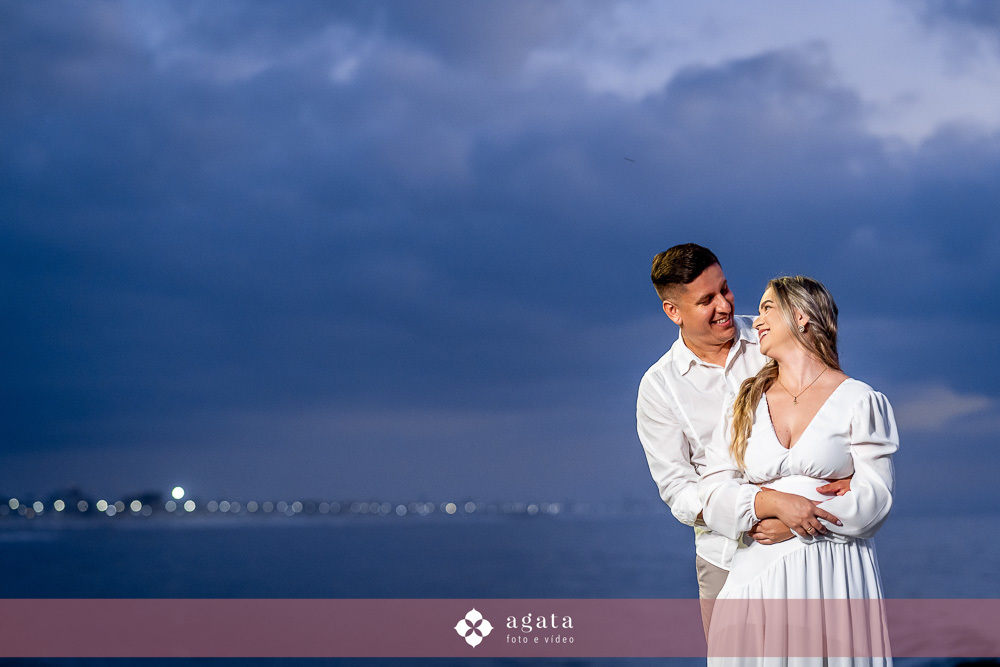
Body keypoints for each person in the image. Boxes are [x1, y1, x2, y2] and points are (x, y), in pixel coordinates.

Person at [636, 245, 850, 637]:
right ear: (673, 312)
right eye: (706, 300)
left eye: (725, 289)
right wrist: (755, 509)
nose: (724, 305)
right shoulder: (659, 387)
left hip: (807, 543)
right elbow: (678, 492)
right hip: (723, 558)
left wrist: (801, 512)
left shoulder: (775, 337)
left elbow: (835, 422)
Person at [699, 276, 896, 666]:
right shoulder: (742, 403)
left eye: (767, 308)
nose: (756, 320)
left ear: (801, 315)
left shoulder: (859, 400)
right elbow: (714, 494)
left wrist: (796, 520)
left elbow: (875, 499)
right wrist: (771, 503)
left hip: (832, 574)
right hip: (756, 578)